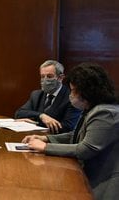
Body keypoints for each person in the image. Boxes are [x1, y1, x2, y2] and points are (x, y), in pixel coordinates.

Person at [22, 63, 119, 199]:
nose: (70, 95)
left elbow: (85, 149)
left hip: (106, 182)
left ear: (87, 91)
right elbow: (76, 135)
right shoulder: (92, 109)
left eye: (73, 91)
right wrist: (46, 138)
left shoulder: (105, 113)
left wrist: (46, 147)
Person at [15, 60, 81, 133]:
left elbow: (68, 126)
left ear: (60, 78)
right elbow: (19, 113)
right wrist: (41, 116)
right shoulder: (36, 94)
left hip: (56, 140)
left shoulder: (71, 97)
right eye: (42, 76)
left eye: (49, 76)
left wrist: (36, 125)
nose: (45, 80)